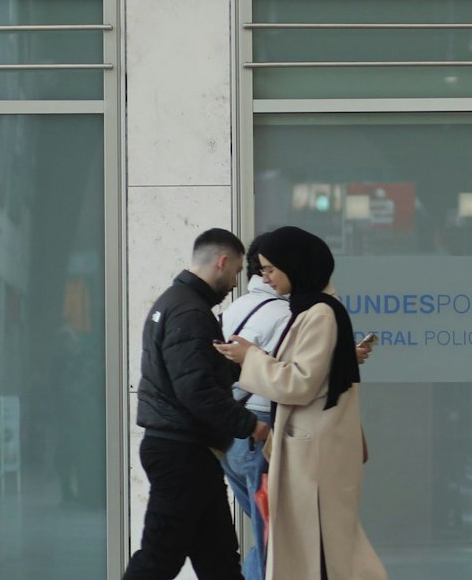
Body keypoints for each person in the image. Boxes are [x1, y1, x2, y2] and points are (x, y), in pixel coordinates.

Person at [216, 226, 385, 580]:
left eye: (272, 269)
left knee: (306, 549)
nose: (266, 277)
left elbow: (298, 383)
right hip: (308, 445)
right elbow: (313, 372)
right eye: (263, 269)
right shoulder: (313, 308)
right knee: (295, 545)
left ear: (296, 265)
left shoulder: (318, 312)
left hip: (311, 451)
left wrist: (250, 357)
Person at [125, 229, 269, 580]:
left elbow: (194, 374)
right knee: (160, 558)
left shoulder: (176, 303)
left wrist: (245, 361)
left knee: (218, 557)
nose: (235, 282)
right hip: (181, 452)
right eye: (235, 271)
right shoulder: (190, 311)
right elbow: (196, 390)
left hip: (188, 452)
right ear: (221, 262)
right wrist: (250, 425)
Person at [222, 236, 294, 580]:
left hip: (231, 432)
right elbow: (294, 376)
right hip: (261, 429)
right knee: (272, 538)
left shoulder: (235, 308)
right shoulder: (288, 314)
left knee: (264, 529)